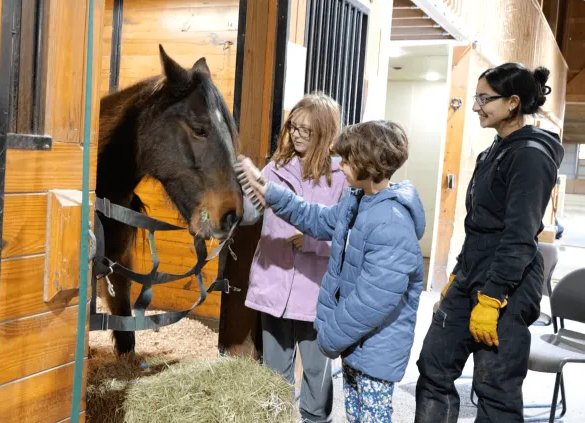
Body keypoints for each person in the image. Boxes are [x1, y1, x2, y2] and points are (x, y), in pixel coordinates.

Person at [240, 119, 426, 423]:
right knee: (355, 415)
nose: (341, 167)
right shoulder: (359, 202)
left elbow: (373, 300)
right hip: (358, 342)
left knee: (372, 418)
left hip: (377, 347)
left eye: (349, 159)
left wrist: (329, 336)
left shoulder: (391, 220)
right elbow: (313, 217)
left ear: (370, 162)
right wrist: (268, 191)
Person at [414, 63, 564, 423]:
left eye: (485, 98)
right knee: (434, 367)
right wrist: (457, 276)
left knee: (495, 386)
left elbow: (519, 235)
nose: (477, 106)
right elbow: (479, 225)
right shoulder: (494, 150)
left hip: (507, 284)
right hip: (471, 276)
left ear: (513, 102)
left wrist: (493, 296)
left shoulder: (530, 155)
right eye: (476, 97)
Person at [242, 93, 346, 423]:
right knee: (274, 370)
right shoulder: (275, 168)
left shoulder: (341, 176)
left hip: (315, 291)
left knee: (316, 372)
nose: (296, 134)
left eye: (306, 129)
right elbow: (250, 211)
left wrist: (313, 241)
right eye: (293, 126)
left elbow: (347, 235)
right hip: (272, 283)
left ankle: (316, 420)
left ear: (325, 132)